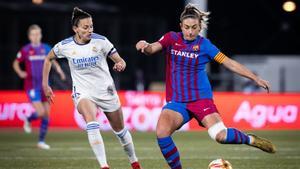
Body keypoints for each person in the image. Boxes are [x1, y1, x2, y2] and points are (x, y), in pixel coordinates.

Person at [136, 4, 276, 169]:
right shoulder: (171, 38)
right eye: (187, 27)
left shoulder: (205, 45)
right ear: (181, 26)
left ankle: (250, 139)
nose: (190, 31)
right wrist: (145, 45)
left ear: (200, 27)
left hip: (201, 99)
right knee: (162, 133)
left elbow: (229, 63)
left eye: (194, 28)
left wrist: (255, 78)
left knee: (221, 136)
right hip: (178, 102)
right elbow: (152, 49)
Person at [42, 7, 142, 169]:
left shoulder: (101, 41)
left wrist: (120, 64)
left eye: (91, 26)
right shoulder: (65, 46)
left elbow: (120, 60)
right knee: (91, 119)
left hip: (105, 90)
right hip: (83, 92)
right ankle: (104, 166)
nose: (90, 30)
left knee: (120, 131)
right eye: (85, 27)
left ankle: (134, 162)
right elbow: (48, 59)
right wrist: (45, 85)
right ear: (75, 29)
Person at [12, 24, 66, 150]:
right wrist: (20, 72)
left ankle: (41, 141)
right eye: (34, 34)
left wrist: (60, 71)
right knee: (41, 112)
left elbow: (52, 61)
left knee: (47, 114)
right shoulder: (25, 50)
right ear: (30, 36)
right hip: (32, 86)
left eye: (38, 34)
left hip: (45, 85)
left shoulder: (46, 48)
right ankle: (29, 119)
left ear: (41, 35)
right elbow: (16, 62)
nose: (36, 36)